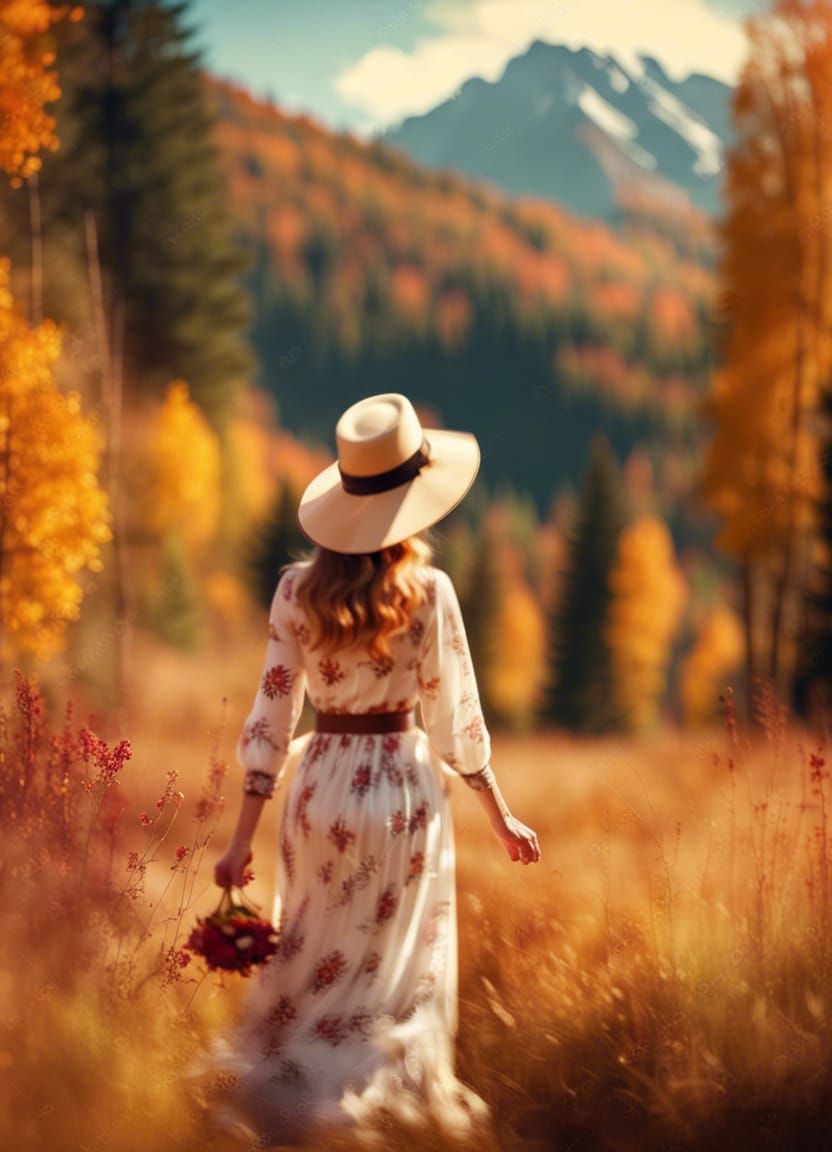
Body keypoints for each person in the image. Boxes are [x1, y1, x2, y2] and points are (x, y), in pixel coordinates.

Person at [189, 392, 540, 1147]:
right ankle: (373, 1099)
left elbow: (271, 715)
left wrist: (240, 840)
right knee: (398, 967)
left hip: (318, 793)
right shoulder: (430, 593)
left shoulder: (295, 590)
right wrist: (500, 813)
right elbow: (456, 718)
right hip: (403, 796)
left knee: (314, 949)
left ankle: (291, 1097)